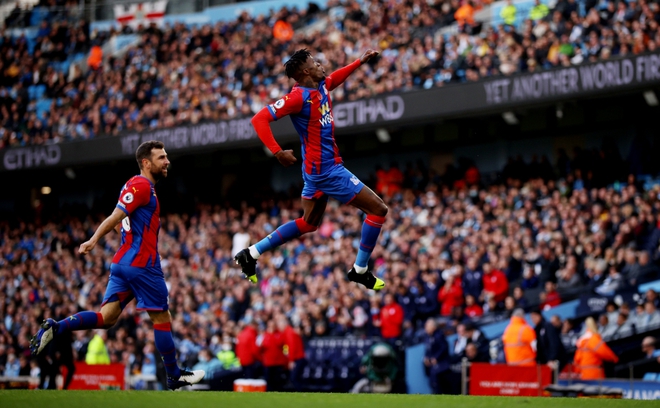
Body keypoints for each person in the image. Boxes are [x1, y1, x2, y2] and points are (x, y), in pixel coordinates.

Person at [29, 140, 204, 390]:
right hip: (142, 265)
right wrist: (93, 240)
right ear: (146, 162)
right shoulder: (142, 185)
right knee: (162, 317)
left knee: (107, 318)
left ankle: (57, 327)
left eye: (166, 157)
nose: (167, 161)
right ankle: (174, 375)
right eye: (161, 158)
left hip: (122, 263)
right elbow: (115, 216)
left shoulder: (135, 185)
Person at [236, 48, 387, 291]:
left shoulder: (321, 86)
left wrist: (360, 61)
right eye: (315, 62)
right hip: (327, 171)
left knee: (308, 223)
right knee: (378, 209)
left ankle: (251, 253)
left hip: (315, 169)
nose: (320, 64)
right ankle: (360, 270)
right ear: (306, 71)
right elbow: (259, 119)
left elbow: (334, 79)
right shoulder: (297, 98)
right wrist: (277, 151)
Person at [422, 318, 450, 394]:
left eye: (428, 325)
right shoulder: (427, 336)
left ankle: (439, 393)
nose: (426, 327)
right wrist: (426, 358)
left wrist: (436, 358)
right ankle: (434, 392)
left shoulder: (439, 335)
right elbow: (427, 349)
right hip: (432, 363)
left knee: (436, 376)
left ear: (434, 327)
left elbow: (444, 348)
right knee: (430, 375)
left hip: (442, 362)